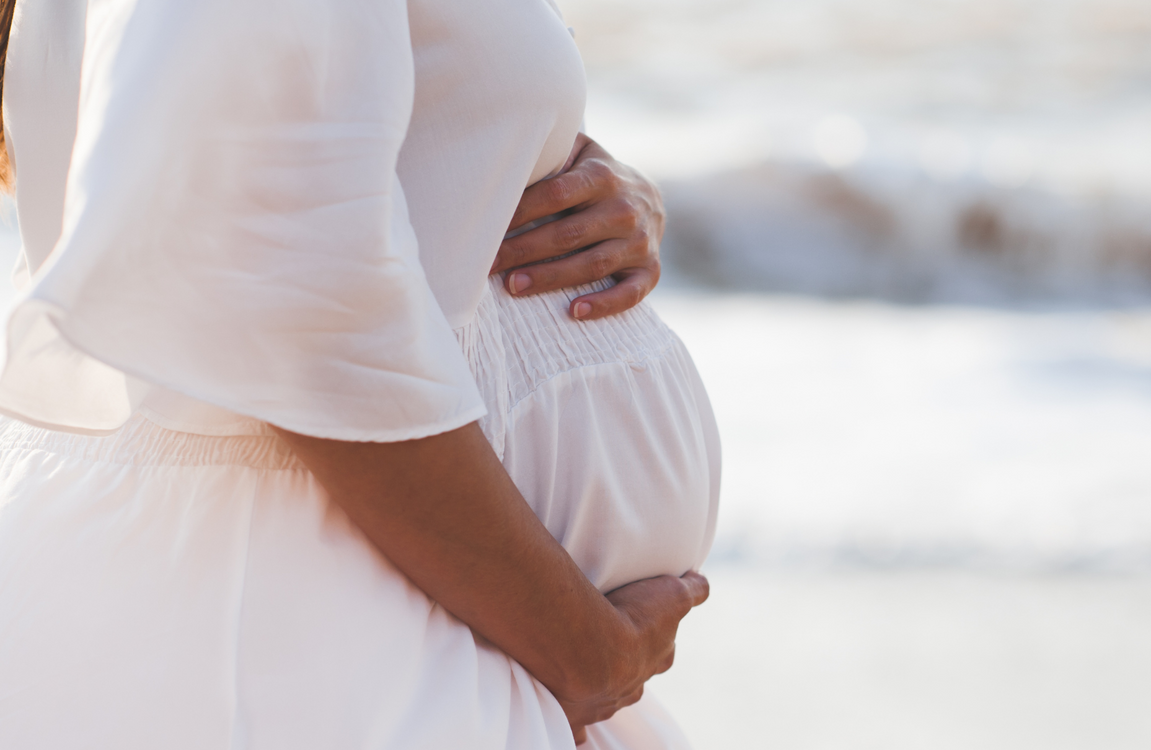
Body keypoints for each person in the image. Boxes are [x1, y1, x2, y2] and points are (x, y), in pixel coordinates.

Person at [0, 0, 720, 748]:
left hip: (392, 613)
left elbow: (285, 161)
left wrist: (587, 178)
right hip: (309, 614)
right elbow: (282, 291)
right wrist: (579, 648)